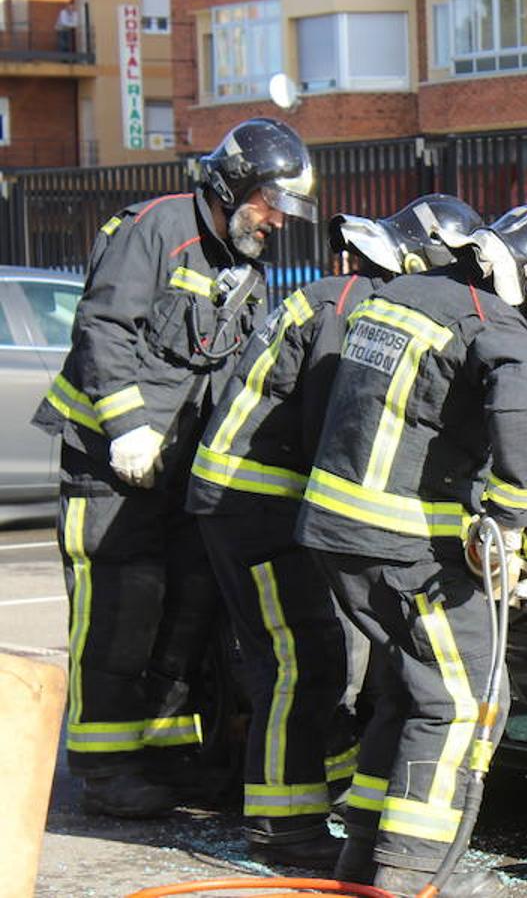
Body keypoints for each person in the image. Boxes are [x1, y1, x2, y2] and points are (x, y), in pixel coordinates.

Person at [294, 203, 527, 896]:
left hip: (337, 531)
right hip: (405, 546)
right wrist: (510, 519)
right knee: (465, 700)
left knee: (409, 686)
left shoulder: (400, 296)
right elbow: (517, 413)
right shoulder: (493, 320)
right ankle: (415, 874)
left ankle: (362, 855)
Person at [184, 195, 484, 867]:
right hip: (253, 505)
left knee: (307, 659)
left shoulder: (340, 296)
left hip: (255, 502)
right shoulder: (358, 311)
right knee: (299, 661)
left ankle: (308, 811)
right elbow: (345, 435)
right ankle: (283, 830)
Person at [29, 118, 317, 818]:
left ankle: (164, 754)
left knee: (184, 610)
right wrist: (127, 428)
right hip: (109, 460)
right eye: (269, 203)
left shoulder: (245, 267)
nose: (277, 220)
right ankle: (104, 770)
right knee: (121, 609)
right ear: (233, 185)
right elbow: (103, 328)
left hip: (178, 470)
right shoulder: (158, 229)